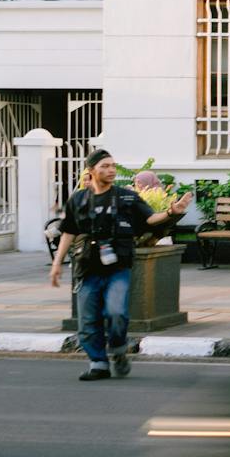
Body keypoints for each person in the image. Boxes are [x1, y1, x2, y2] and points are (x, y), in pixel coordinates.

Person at [49, 148, 190, 380]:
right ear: (91, 170)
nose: (111, 170)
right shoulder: (79, 199)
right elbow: (68, 232)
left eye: (113, 166)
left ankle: (117, 350)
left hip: (118, 267)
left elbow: (150, 218)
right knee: (87, 320)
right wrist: (57, 263)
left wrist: (170, 212)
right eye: (105, 166)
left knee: (116, 312)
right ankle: (98, 363)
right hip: (87, 267)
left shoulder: (125, 197)